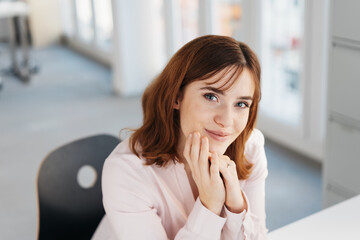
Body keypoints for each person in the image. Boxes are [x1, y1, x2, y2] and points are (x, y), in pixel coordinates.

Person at [92, 35, 268, 240]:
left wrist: (235, 205)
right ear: (177, 96)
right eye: (212, 97)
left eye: (241, 104)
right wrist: (210, 206)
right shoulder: (127, 171)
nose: (227, 121)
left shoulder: (251, 147)